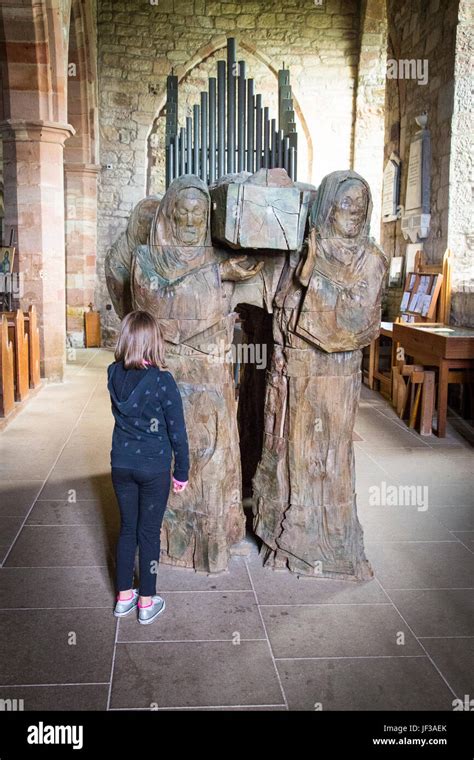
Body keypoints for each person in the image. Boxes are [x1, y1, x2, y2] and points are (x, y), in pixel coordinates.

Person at [107, 309, 190, 624]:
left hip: (121, 464)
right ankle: (146, 601)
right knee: (149, 533)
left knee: (127, 528)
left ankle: (123, 596)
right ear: (154, 342)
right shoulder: (162, 381)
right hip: (153, 468)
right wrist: (181, 472)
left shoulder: (113, 373)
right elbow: (177, 432)